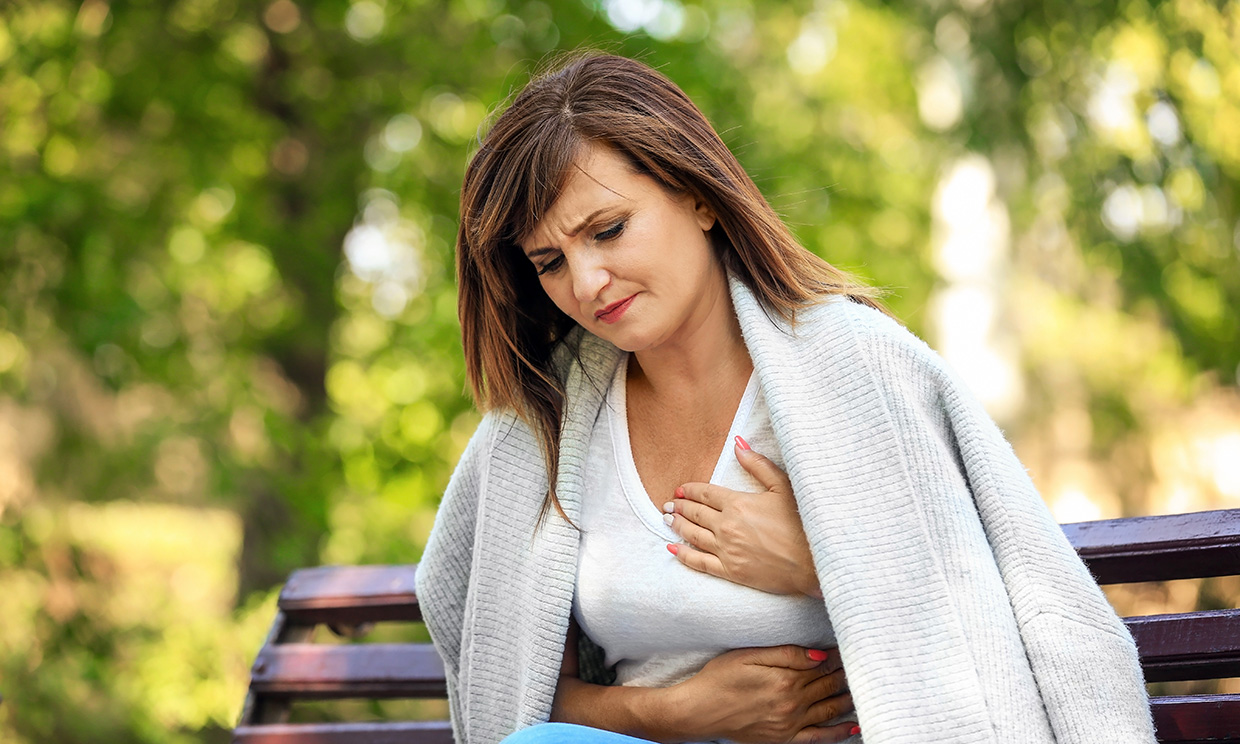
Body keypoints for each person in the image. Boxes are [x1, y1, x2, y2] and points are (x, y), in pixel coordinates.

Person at [415, 52, 1156, 744]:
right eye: (550, 262)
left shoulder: (855, 368)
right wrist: (675, 711)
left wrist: (821, 560)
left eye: (608, 230)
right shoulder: (543, 422)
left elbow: (988, 624)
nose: (586, 282)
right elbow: (506, 687)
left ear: (698, 197)